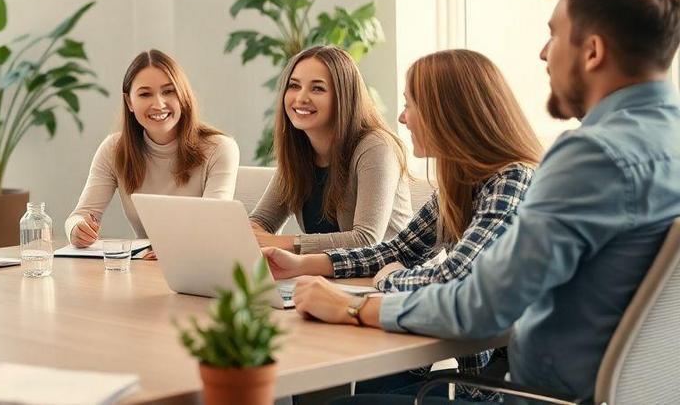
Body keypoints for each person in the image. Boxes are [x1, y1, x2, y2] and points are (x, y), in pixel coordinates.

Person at [285, 0, 680, 404]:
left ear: (592, 52)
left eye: (553, 33)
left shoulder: (592, 157)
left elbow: (481, 306)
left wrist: (355, 306)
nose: (544, 53)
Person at [267, 49, 540, 398]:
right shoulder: (464, 182)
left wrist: (389, 279)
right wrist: (304, 263)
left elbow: (452, 276)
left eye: (411, 104)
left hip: (501, 392)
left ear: (450, 113)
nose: (402, 117)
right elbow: (400, 249)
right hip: (469, 380)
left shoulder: (513, 179)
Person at [65, 49, 239, 247]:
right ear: (129, 102)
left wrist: (173, 249)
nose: (158, 104)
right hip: (144, 267)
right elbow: (78, 216)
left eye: (168, 91)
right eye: (145, 94)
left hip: (200, 266)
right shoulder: (114, 149)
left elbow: (212, 226)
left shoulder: (219, 148)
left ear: (183, 95)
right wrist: (77, 230)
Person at [250, 45, 412, 254]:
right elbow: (261, 221)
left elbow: (366, 239)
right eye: (294, 86)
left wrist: (282, 243)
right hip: (334, 278)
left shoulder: (376, 147)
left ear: (343, 97)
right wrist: (249, 234)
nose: (300, 98)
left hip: (397, 278)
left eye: (317, 88)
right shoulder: (298, 151)